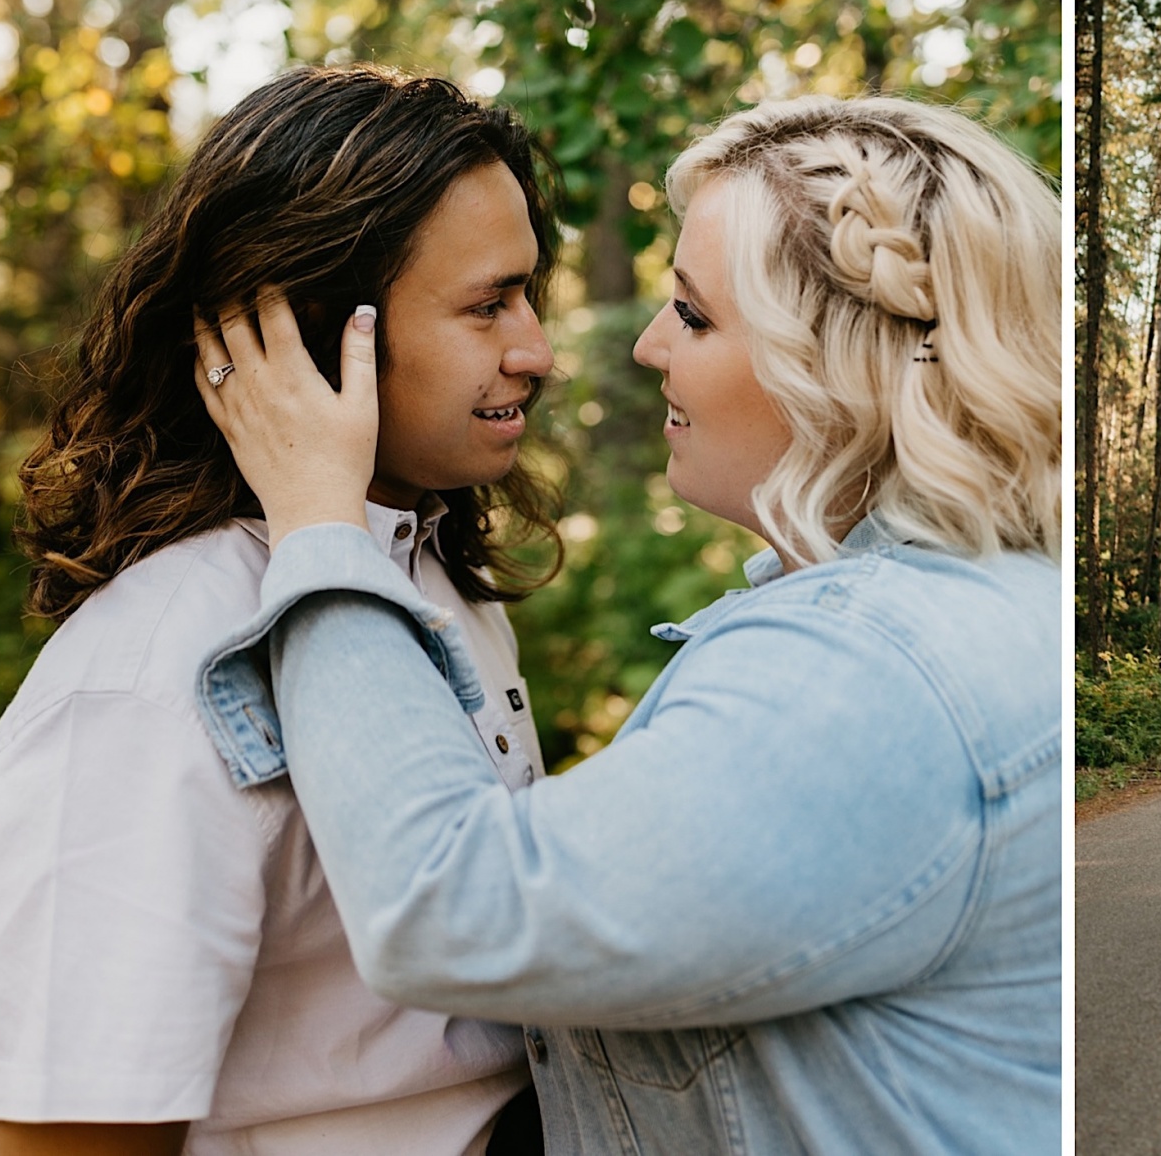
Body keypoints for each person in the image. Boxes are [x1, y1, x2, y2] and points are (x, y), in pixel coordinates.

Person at [190, 94, 1062, 1154]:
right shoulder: (941, 614)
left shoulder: (871, 673)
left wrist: (318, 523)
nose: (648, 345)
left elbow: (449, 903)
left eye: (693, 315)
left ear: (835, 364)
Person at [0, 67, 557, 1155]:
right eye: (487, 304)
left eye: (529, 295)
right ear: (308, 328)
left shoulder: (435, 576)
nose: (536, 350)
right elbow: (56, 1135)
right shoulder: (152, 677)